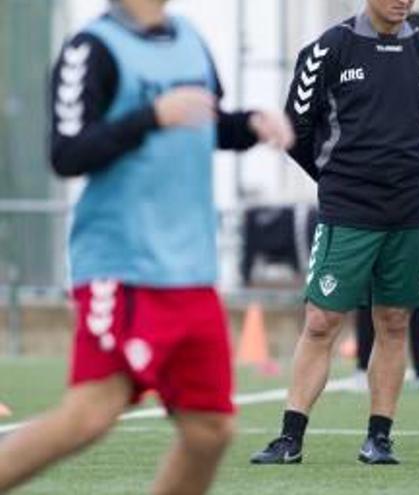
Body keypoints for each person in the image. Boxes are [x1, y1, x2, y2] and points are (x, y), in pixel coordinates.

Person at [0, 0, 294, 492]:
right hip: (123, 267)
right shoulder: (92, 47)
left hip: (191, 273)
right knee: (91, 414)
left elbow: (207, 123)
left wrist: (250, 125)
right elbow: (67, 153)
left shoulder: (190, 40)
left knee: (210, 430)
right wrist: (149, 117)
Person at [250, 0, 419, 466]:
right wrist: (336, 177)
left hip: (410, 211)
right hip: (348, 209)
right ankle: (290, 438)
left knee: (395, 321)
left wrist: (407, 168)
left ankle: (379, 438)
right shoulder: (329, 47)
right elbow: (295, 126)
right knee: (321, 322)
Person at [337, 10, 419, 396]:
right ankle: (360, 365)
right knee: (367, 292)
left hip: (418, 204)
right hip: (364, 205)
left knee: (413, 298)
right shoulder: (360, 57)